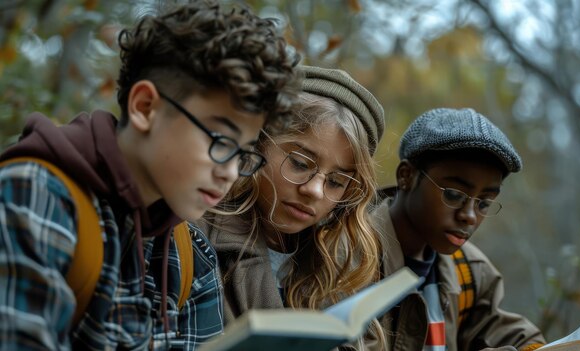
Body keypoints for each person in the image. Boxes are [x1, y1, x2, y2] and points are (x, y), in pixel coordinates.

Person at [0, 1, 300, 349]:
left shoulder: (193, 256)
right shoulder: (34, 199)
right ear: (145, 107)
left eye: (243, 153)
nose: (231, 172)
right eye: (220, 141)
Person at [199, 65, 385, 348]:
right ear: (259, 145)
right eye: (299, 164)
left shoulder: (340, 269)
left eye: (336, 181)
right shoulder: (197, 238)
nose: (314, 190)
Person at [371, 108, 546, 351]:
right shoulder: (344, 254)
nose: (469, 216)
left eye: (484, 203)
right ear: (407, 176)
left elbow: (509, 334)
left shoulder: (470, 273)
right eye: (453, 195)